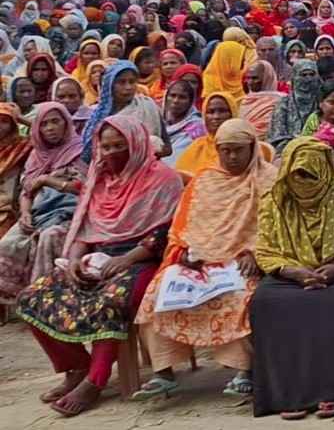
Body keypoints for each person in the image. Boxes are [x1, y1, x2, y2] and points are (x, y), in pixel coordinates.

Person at [15, 116, 183, 418]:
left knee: (112, 300)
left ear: (136, 145)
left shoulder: (163, 179)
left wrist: (126, 259)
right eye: (106, 147)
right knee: (32, 297)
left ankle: (96, 379)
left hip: (144, 259)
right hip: (98, 257)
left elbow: (167, 232)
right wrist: (74, 260)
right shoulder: (99, 179)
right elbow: (85, 228)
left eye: (119, 146)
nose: (111, 153)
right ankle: (77, 366)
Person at [132, 117, 276, 400]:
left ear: (252, 148)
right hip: (199, 260)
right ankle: (164, 373)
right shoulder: (204, 180)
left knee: (240, 294)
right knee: (157, 291)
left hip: (242, 261)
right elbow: (182, 225)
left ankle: (243, 371)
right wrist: (184, 252)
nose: (231, 157)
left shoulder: (269, 180)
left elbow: (276, 228)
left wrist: (255, 254)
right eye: (225, 150)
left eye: (238, 150)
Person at [250, 137, 334, 419]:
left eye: (311, 174)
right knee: (266, 301)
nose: (304, 181)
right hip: (290, 269)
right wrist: (293, 272)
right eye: (298, 174)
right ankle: (287, 394)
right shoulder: (275, 199)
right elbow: (266, 248)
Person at [0, 102, 85, 304]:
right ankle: (15, 302)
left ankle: (44, 299)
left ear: (66, 123)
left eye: (55, 122)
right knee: (8, 243)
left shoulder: (80, 151)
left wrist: (48, 180)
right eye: (44, 124)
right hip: (39, 212)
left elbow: (85, 188)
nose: (50, 128)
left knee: (49, 237)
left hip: (72, 213)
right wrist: (25, 214)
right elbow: (27, 192)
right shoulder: (35, 155)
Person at [269, 60, 321, 153]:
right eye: (303, 75)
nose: (308, 79)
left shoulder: (323, 101)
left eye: (312, 74)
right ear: (294, 78)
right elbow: (278, 137)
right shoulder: (283, 104)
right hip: (289, 150)